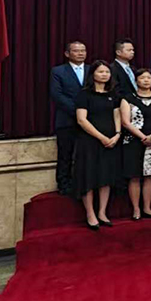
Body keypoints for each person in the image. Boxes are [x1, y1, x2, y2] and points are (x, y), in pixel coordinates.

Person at [74, 61, 122, 229]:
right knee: (89, 176)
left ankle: (102, 212)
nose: (104, 75)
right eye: (100, 72)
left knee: (106, 177)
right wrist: (101, 137)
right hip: (89, 141)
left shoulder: (113, 94)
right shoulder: (84, 94)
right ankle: (90, 214)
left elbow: (117, 115)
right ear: (93, 74)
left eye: (107, 72)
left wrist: (117, 134)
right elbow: (81, 120)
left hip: (110, 141)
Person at [120, 68, 151, 220]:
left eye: (149, 78)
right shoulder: (127, 98)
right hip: (133, 140)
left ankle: (147, 207)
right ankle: (136, 209)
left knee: (150, 175)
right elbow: (125, 122)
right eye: (142, 78)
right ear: (136, 81)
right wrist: (142, 137)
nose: (146, 80)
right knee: (134, 175)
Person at [50, 40, 87, 196]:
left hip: (90, 121)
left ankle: (83, 183)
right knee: (65, 154)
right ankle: (64, 185)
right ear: (67, 53)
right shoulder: (58, 71)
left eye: (83, 50)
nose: (80, 53)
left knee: (85, 155)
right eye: (76, 51)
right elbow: (57, 95)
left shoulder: (92, 70)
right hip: (67, 120)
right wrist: (79, 111)